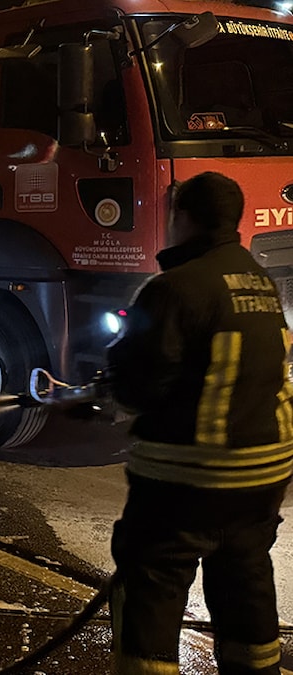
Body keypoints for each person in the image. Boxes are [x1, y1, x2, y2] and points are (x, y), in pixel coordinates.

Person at [106, 171, 292, 674]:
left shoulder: (173, 288)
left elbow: (138, 384)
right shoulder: (262, 282)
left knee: (151, 589)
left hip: (187, 482)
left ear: (182, 218)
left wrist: (101, 390)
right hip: (262, 480)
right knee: (244, 584)